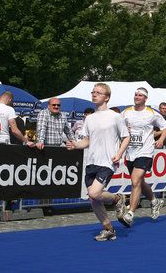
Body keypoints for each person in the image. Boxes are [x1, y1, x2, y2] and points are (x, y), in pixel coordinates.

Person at [65, 83, 130, 241]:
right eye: (93, 92)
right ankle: (108, 229)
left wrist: (119, 154)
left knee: (94, 193)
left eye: (98, 93)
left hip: (107, 162)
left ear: (106, 97)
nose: (94, 95)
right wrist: (75, 145)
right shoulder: (89, 118)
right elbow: (87, 140)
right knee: (93, 198)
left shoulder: (115, 116)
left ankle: (117, 199)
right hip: (91, 162)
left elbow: (126, 137)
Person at [119, 87, 166, 227]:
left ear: (145, 98)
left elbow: (165, 127)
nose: (137, 97)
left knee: (135, 180)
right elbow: (118, 126)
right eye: (135, 94)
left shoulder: (152, 113)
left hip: (145, 151)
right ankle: (154, 201)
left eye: (140, 95)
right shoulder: (126, 112)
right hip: (130, 152)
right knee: (139, 181)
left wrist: (161, 139)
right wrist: (124, 130)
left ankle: (130, 213)